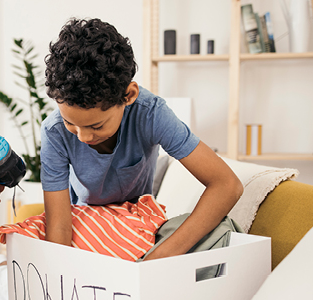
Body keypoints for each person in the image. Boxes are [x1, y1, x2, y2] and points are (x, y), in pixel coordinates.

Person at [40, 17, 243, 260]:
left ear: (129, 96)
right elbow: (59, 228)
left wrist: (160, 256)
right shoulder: (53, 131)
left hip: (139, 225)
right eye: (70, 123)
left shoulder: (151, 114)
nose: (83, 136)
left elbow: (227, 185)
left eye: (96, 125)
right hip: (85, 225)